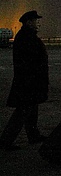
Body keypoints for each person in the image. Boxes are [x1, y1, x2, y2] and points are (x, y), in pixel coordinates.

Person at [0, 11, 48, 151]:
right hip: (28, 81)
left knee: (31, 110)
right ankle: (6, 141)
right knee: (23, 111)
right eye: (36, 21)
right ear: (29, 22)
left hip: (30, 80)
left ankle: (33, 134)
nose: (38, 23)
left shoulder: (27, 36)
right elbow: (30, 62)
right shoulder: (26, 38)